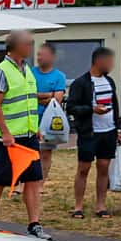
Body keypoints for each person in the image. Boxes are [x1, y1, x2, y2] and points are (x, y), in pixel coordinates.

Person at [0, 30, 51, 239]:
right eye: (28, 44)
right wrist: (5, 133)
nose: (31, 47)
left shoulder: (26, 70)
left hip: (27, 134)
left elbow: (27, 100)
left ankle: (34, 224)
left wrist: (34, 127)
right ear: (16, 46)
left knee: (33, 179)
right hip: (8, 138)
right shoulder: (1, 71)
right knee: (1, 178)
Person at [67, 46, 121, 218]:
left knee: (104, 167)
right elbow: (71, 107)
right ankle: (78, 206)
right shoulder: (81, 83)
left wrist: (118, 127)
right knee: (84, 168)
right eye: (108, 61)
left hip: (109, 131)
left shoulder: (110, 81)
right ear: (98, 61)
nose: (111, 65)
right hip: (89, 133)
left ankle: (100, 206)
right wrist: (92, 109)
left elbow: (116, 106)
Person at [33, 42, 69, 175]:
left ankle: (40, 185)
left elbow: (57, 100)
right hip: (31, 120)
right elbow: (28, 95)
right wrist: (50, 94)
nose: (39, 58)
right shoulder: (30, 73)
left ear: (52, 57)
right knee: (30, 153)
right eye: (38, 55)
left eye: (42, 55)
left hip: (49, 123)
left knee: (45, 154)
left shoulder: (59, 76)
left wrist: (38, 96)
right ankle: (24, 184)